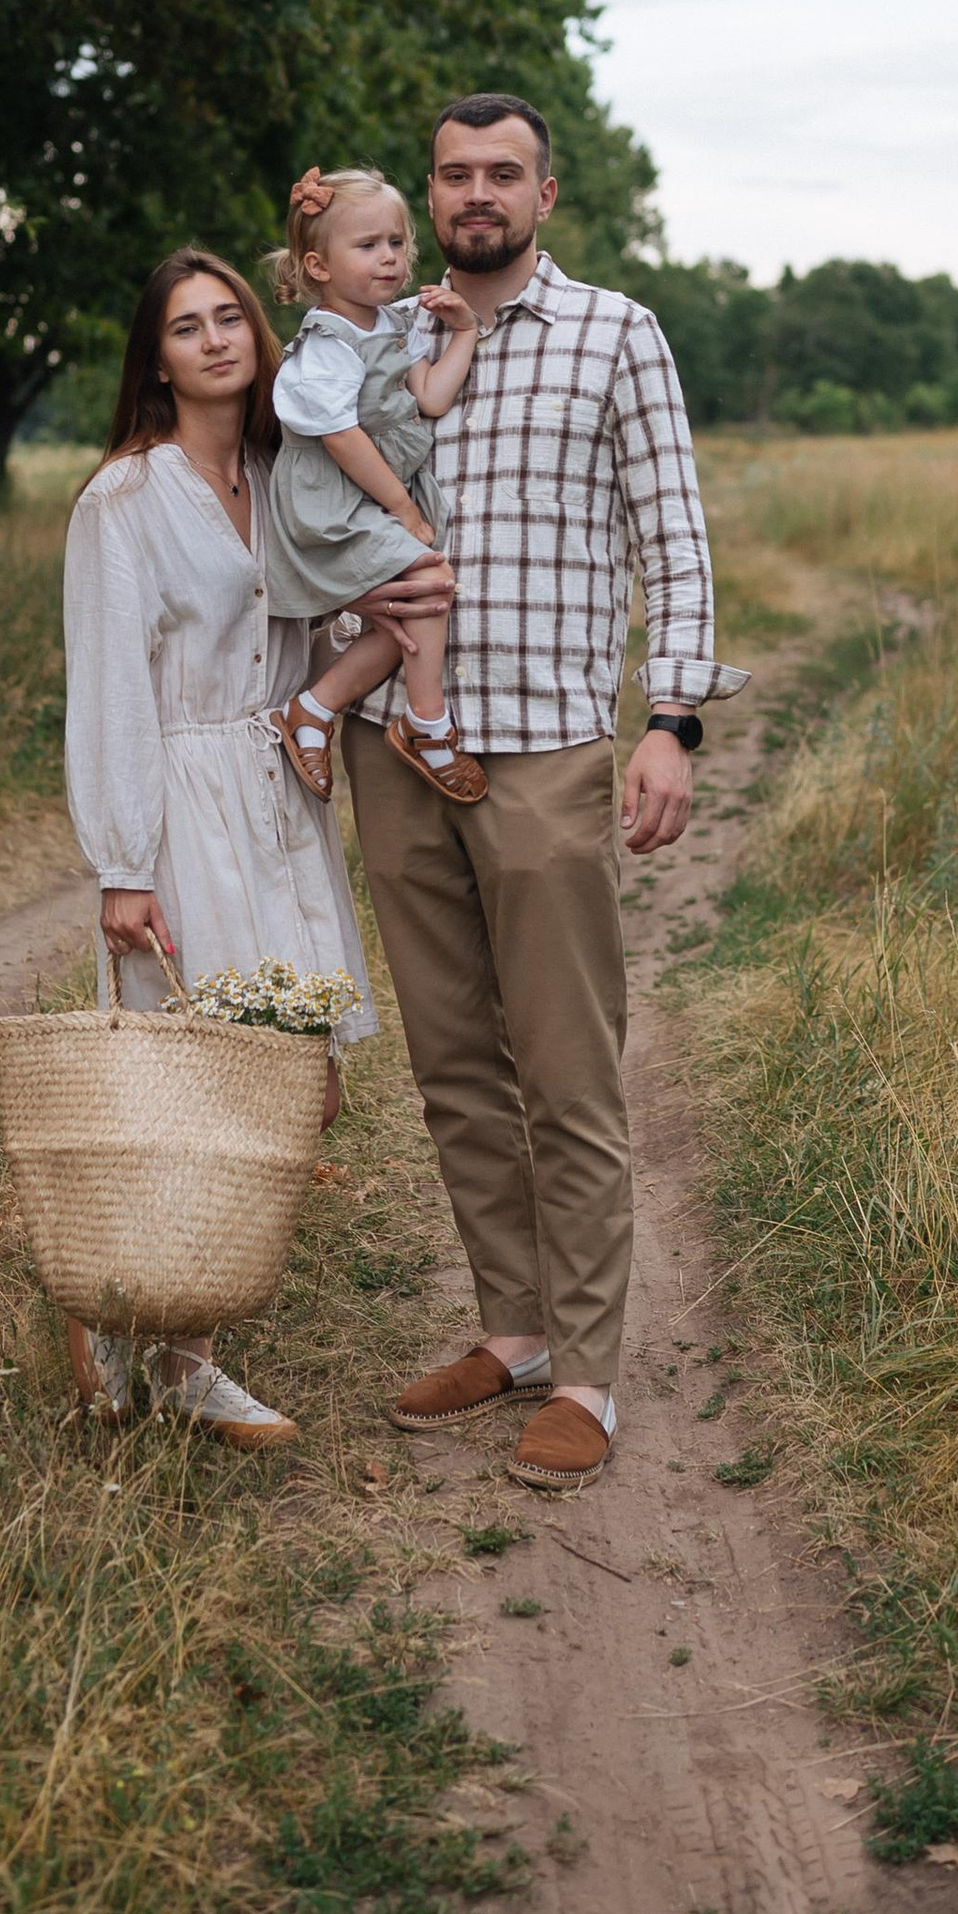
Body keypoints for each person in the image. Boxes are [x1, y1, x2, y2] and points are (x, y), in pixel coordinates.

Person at [338, 93, 746, 1498]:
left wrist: (671, 722)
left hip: (544, 752)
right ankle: (509, 1334)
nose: (474, 196)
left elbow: (672, 540)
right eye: (453, 175)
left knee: (566, 1070)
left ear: (546, 194)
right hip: (394, 748)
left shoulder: (614, 333)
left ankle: (586, 1376)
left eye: (500, 173)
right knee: (452, 1065)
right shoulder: (384, 338)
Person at [60, 246, 374, 1453]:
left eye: (229, 315)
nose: (212, 338)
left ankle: (140, 1325)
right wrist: (124, 864)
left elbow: (341, 609)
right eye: (184, 326)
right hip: (183, 797)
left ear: (257, 329)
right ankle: (170, 1352)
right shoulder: (124, 503)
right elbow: (110, 690)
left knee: (296, 1082)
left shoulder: (291, 471)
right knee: (198, 1080)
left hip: (279, 796)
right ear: (156, 358)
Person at [260, 163, 485, 806]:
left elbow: (432, 396)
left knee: (407, 615)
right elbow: (342, 439)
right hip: (336, 499)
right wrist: (402, 508)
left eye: (396, 243)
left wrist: (464, 332)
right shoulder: (326, 344)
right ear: (319, 266)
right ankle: (429, 727)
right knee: (429, 579)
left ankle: (313, 707)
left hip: (373, 493)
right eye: (368, 246)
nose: (388, 259)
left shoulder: (393, 325)